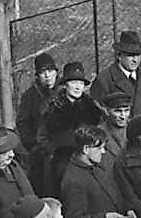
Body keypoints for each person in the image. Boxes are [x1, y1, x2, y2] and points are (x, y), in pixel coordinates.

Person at [38, 61, 104, 197]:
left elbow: (100, 134)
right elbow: (42, 137)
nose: (78, 87)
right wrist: (55, 152)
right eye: (73, 82)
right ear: (65, 84)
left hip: (87, 159)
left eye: (81, 83)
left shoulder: (92, 108)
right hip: (61, 162)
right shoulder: (52, 108)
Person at [17, 53, 58, 193]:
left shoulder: (65, 91)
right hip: (40, 154)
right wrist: (33, 145)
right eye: (42, 72)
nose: (47, 76)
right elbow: (22, 124)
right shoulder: (29, 96)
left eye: (50, 71)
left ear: (56, 72)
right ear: (37, 75)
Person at [90, 30, 141, 118]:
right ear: (119, 56)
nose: (135, 60)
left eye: (138, 55)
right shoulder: (104, 80)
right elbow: (98, 116)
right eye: (130, 55)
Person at [97, 91, 132, 167]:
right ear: (107, 111)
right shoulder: (98, 133)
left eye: (126, 111)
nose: (123, 116)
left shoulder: (137, 129)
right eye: (118, 111)